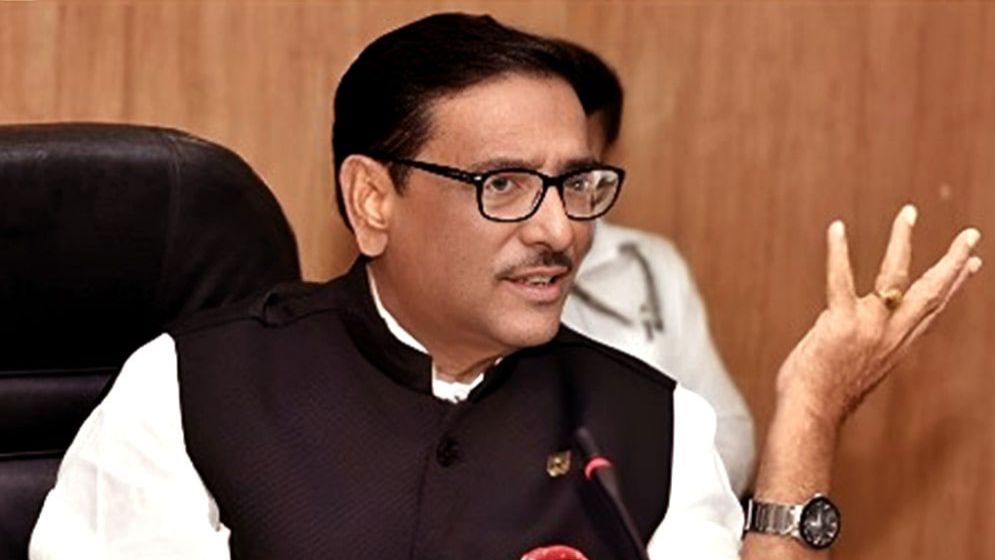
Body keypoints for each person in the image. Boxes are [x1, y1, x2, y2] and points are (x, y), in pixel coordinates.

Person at [29, 13, 981, 560]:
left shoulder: (652, 423)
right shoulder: (191, 390)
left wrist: (808, 412)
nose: (559, 230)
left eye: (577, 183)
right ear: (372, 200)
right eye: (504, 185)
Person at [557, 40, 755, 496]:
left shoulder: (650, 266)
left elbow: (729, 432)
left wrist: (661, 505)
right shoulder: (473, 269)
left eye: (577, 176)